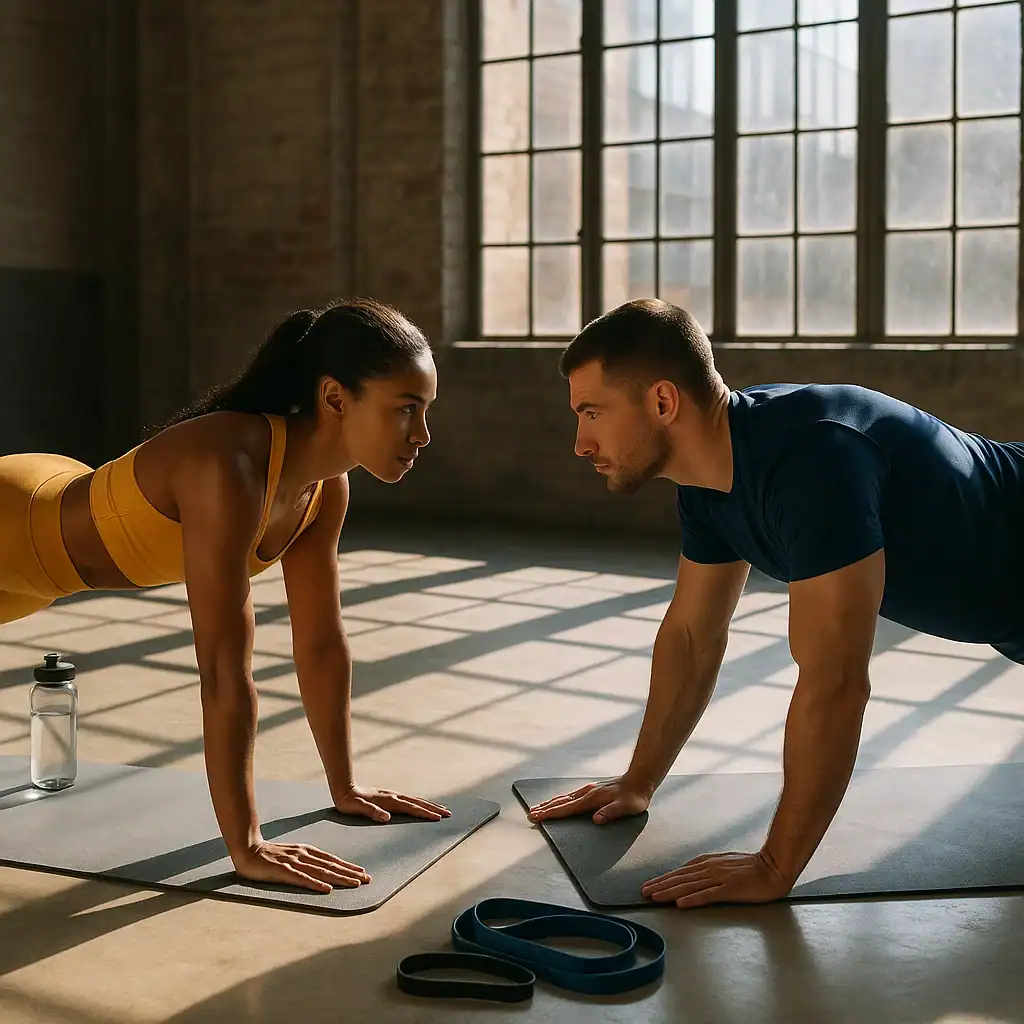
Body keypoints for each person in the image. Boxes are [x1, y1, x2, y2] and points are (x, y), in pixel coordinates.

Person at [527, 298, 1024, 910]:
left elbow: (836, 680)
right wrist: (638, 782)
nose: (581, 442)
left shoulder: (811, 461)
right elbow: (692, 636)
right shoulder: (709, 482)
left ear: (662, 402)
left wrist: (774, 865)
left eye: (592, 412)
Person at [0, 297, 451, 894]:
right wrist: (247, 846)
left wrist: (344, 787)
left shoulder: (325, 490)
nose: (422, 435)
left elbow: (319, 643)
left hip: (43, 580)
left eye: (425, 411)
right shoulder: (226, 464)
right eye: (406, 409)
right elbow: (222, 669)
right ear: (336, 398)